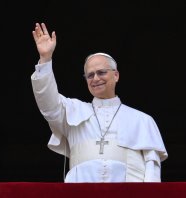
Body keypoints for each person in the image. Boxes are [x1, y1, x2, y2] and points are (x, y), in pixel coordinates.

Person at [30, 23, 168, 182]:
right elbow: (48, 104)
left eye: (102, 72)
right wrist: (45, 59)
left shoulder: (142, 120)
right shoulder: (73, 110)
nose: (95, 78)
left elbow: (152, 169)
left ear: (116, 75)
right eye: (90, 75)